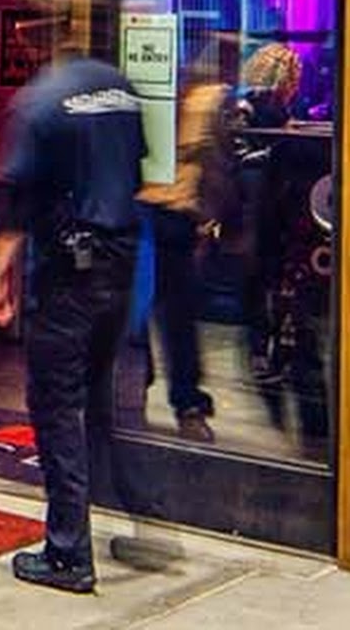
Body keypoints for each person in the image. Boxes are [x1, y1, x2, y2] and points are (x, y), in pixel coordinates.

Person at [0, 0, 163, 594]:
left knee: (56, 404)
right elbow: (135, 169)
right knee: (98, 397)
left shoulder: (39, 101)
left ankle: (68, 552)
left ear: (32, 33)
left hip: (69, 270)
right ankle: (135, 510)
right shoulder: (118, 86)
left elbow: (14, 194)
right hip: (120, 260)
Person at [136, 46, 237, 441]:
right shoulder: (203, 101)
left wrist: (208, 219)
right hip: (157, 213)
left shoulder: (197, 102)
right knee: (164, 314)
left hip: (164, 214)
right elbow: (218, 165)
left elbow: (215, 164)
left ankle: (177, 396)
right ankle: (177, 399)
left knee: (165, 314)